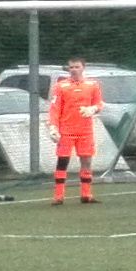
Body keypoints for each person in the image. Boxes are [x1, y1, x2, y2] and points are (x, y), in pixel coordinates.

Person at [49, 58, 105, 203]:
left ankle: (86, 194)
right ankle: (58, 196)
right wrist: (53, 127)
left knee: (86, 160)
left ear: (83, 68)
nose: (74, 69)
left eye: (77, 67)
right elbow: (55, 108)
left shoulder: (92, 85)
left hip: (85, 130)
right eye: (71, 67)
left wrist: (93, 109)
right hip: (66, 130)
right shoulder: (61, 86)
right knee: (63, 161)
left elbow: (99, 103)